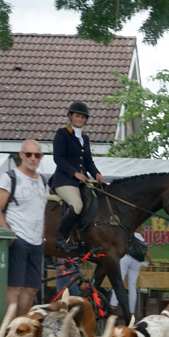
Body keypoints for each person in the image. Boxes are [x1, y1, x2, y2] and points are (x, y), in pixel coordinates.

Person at [0, 140, 48, 316]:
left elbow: (41, 211)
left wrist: (43, 235)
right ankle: (9, 330)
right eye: (28, 154)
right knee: (15, 287)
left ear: (41, 157)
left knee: (31, 288)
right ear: (21, 155)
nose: (33, 158)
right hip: (18, 238)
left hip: (36, 241)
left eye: (36, 155)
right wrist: (9, 234)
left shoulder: (43, 181)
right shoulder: (10, 177)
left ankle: (21, 329)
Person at [51, 101, 104, 253]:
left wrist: (97, 174)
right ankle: (60, 238)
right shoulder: (62, 134)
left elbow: (88, 161)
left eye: (82, 117)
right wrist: (74, 173)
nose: (80, 119)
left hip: (82, 180)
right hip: (64, 180)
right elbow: (58, 158)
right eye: (77, 116)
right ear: (70, 116)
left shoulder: (85, 139)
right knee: (77, 205)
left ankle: (82, 238)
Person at [110, 232, 154, 317]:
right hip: (136, 262)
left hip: (125, 258)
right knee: (132, 287)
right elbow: (146, 252)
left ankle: (113, 305)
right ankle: (131, 312)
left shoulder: (126, 233)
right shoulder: (140, 236)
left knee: (119, 282)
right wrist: (151, 262)